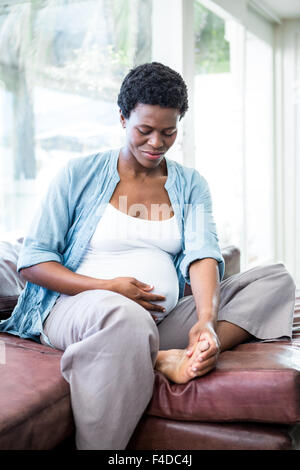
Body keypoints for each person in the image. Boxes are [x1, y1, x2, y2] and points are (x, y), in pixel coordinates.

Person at [0, 62, 296, 450]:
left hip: (161, 319)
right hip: (78, 310)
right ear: (122, 118)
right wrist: (108, 287)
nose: (156, 142)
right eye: (144, 130)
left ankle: (176, 352)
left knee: (275, 279)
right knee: (123, 316)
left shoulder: (190, 184)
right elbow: (34, 260)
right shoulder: (78, 174)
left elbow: (202, 254)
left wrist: (206, 322)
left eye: (168, 132)